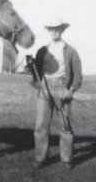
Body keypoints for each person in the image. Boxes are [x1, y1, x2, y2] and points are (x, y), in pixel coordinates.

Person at [29, 17, 82, 170]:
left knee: (66, 125)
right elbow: (36, 73)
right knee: (40, 125)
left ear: (61, 30)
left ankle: (66, 158)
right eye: (51, 28)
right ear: (48, 30)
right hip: (45, 89)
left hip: (62, 88)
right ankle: (40, 158)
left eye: (57, 28)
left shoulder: (70, 50)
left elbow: (78, 74)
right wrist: (33, 74)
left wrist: (70, 90)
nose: (53, 31)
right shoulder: (42, 50)